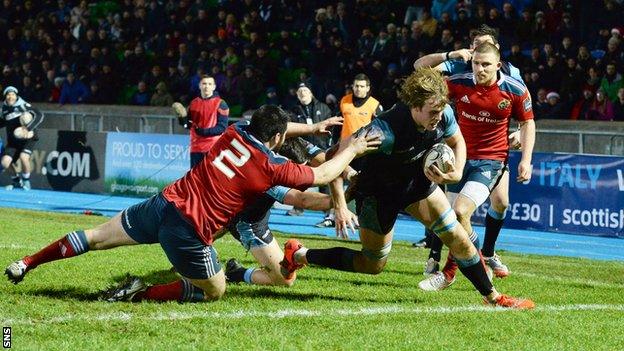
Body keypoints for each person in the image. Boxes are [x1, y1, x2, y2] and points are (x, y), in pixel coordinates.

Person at [5, 105, 380, 304]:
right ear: (278, 137)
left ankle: (26, 263)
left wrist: (310, 129)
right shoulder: (270, 167)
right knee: (214, 292)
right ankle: (140, 292)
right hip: (190, 231)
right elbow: (322, 174)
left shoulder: (236, 131)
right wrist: (354, 147)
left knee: (94, 236)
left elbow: (273, 128)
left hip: (163, 203)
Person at [280, 68, 535, 309]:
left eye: (440, 111)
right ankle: (299, 255)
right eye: (432, 112)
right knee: (371, 264)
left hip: (417, 185)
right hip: (378, 194)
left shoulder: (442, 112)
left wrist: (457, 171)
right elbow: (332, 159)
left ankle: (493, 297)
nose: (438, 117)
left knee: (459, 238)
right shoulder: (381, 132)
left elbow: (457, 140)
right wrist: (340, 204)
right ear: (415, 106)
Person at [418, 43, 535, 291]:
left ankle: (451, 273)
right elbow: (425, 83)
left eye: (485, 65)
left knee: (461, 211)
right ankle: (477, 263)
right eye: (476, 63)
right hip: (458, 159)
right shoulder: (458, 82)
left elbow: (528, 124)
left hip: (491, 161)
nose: (479, 69)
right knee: (450, 220)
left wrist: (526, 159)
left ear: (498, 65)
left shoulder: (515, 90)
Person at [225, 137, 336, 286]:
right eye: (298, 170)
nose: (300, 176)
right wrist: (345, 198)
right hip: (245, 223)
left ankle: (234, 272)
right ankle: (229, 274)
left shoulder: (269, 156)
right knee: (285, 280)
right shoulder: (271, 175)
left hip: (247, 214)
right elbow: (303, 200)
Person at [287, 82, 333, 219]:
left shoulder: (323, 108)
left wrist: (328, 145)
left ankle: (327, 209)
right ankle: (298, 207)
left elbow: (331, 128)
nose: (302, 93)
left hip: (321, 149)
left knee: (325, 180)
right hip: (302, 150)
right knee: (300, 179)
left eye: (305, 90)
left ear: (311, 93)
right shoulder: (293, 110)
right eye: (300, 91)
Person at [173, 75, 230, 168]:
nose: (206, 86)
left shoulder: (221, 103)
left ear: (214, 87)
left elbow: (222, 128)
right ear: (199, 86)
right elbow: (188, 125)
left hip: (213, 147)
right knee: (195, 179)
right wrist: (182, 119)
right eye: (204, 83)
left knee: (211, 179)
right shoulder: (193, 103)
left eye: (209, 84)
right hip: (196, 147)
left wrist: (203, 132)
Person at [0, 86, 44, 190]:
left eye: (13, 95)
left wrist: (28, 128)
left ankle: (26, 181)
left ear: (16, 96)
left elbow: (39, 115)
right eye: (8, 95)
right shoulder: (4, 110)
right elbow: (2, 123)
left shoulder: (23, 105)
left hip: (28, 137)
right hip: (13, 141)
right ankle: (16, 181)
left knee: (24, 157)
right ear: (5, 97)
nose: (10, 97)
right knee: (4, 162)